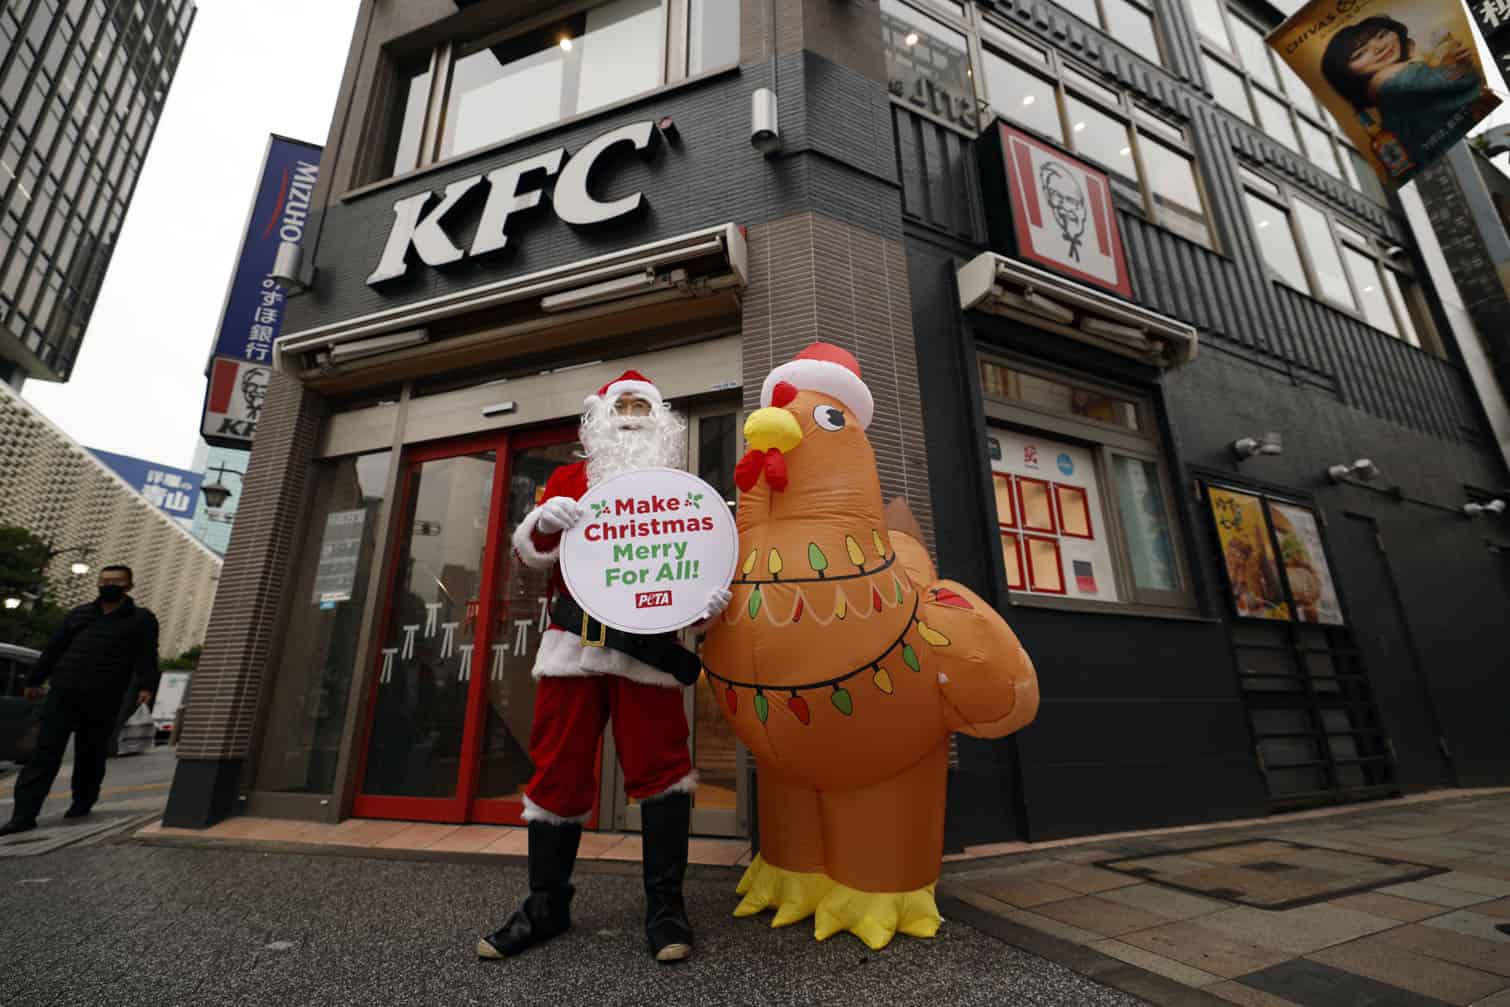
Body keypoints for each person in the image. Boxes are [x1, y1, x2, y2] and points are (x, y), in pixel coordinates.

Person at [476, 370, 730, 964]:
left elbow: (689, 569)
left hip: (647, 655)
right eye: (624, 405)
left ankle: (666, 910)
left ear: (661, 419)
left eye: (645, 405)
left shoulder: (681, 489)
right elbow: (527, 555)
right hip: (574, 651)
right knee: (557, 773)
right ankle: (546, 906)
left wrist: (705, 608)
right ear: (601, 416)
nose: (634, 415)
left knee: (664, 773)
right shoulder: (568, 479)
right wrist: (541, 522)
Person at [0, 565, 159, 836]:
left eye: (117, 581)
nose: (109, 585)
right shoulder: (79, 614)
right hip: (64, 690)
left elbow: (146, 654)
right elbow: (54, 648)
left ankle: (83, 801)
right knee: (43, 754)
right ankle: (23, 816)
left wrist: (146, 685)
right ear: (98, 583)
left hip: (105, 695)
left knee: (91, 752)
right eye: (105, 580)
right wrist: (35, 679)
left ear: (129, 586)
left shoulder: (141, 619)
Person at [1321, 15, 1483, 169]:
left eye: (1381, 35)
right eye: (1360, 54)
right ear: (1345, 74)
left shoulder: (1397, 83)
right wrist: (1460, 67)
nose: (1379, 47)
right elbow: (1466, 85)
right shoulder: (1388, 83)